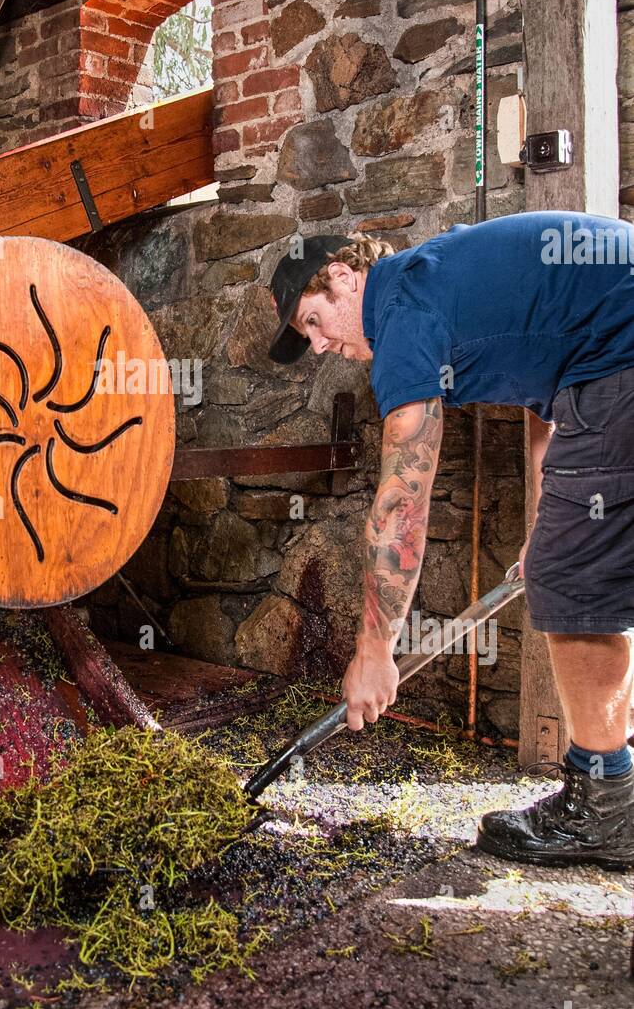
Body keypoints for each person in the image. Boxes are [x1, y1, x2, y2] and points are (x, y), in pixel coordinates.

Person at [266, 211, 634, 869]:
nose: (319, 347)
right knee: (574, 568)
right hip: (603, 362)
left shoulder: (400, 310)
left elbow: (403, 499)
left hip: (621, 359)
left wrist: (375, 649)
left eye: (314, 322)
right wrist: (543, 523)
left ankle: (604, 810)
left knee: (574, 585)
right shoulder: (436, 281)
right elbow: (546, 396)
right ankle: (610, 790)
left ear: (346, 277)